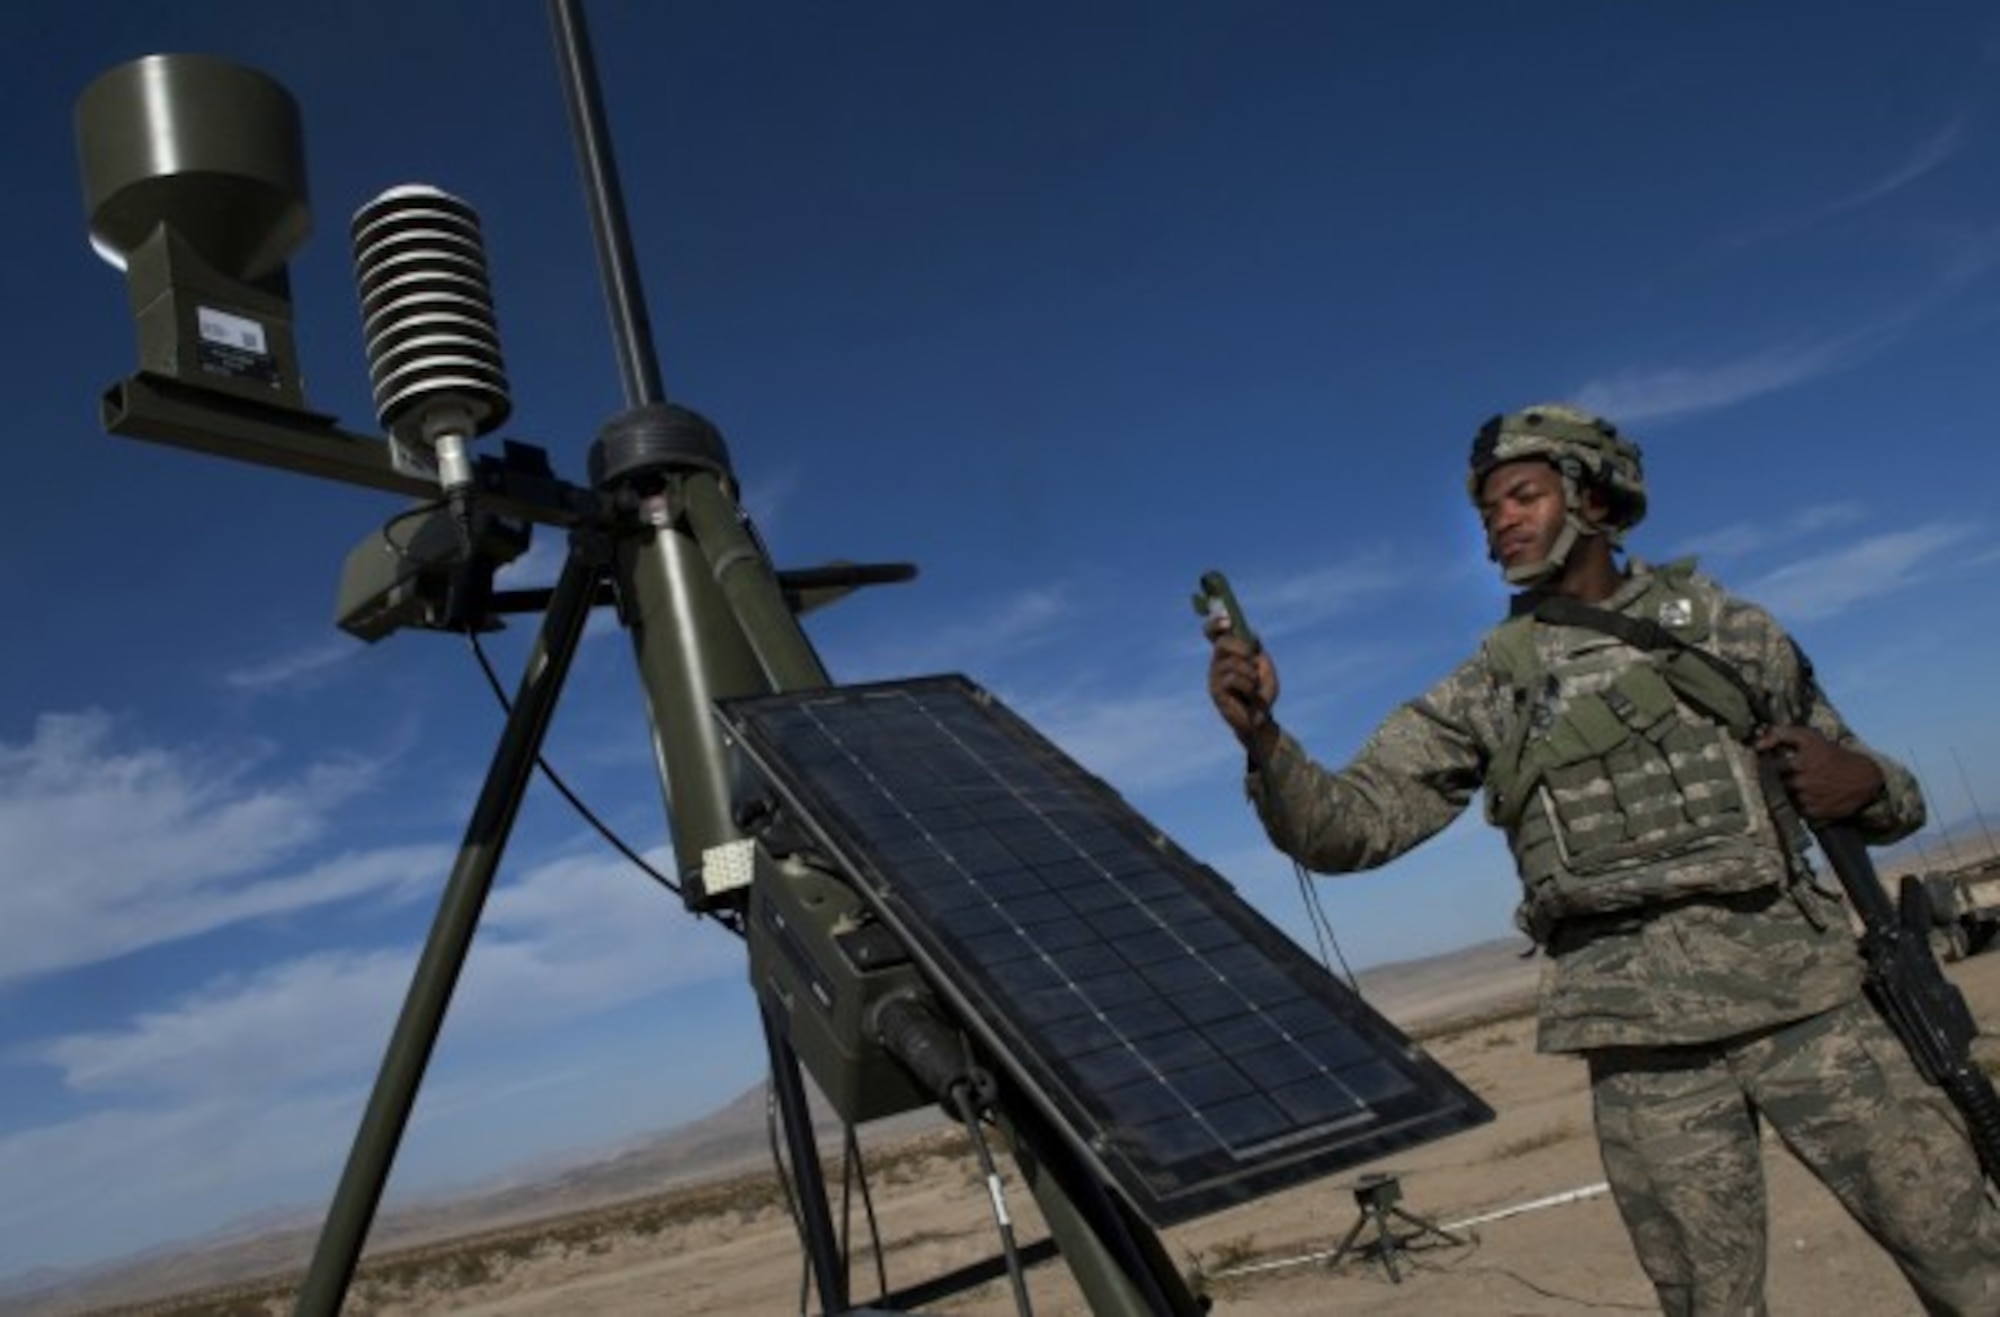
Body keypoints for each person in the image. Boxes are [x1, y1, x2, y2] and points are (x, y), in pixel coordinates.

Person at [1205, 403, 2000, 1315]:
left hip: (1811, 1007)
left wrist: (1859, 778)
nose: (1498, 521)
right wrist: (1265, 738)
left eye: (1522, 495)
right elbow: (1350, 828)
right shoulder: (1489, 687)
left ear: (1591, 498)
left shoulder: (1731, 633)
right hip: (1643, 1052)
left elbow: (1891, 798)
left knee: (1965, 1256)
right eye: (1487, 510)